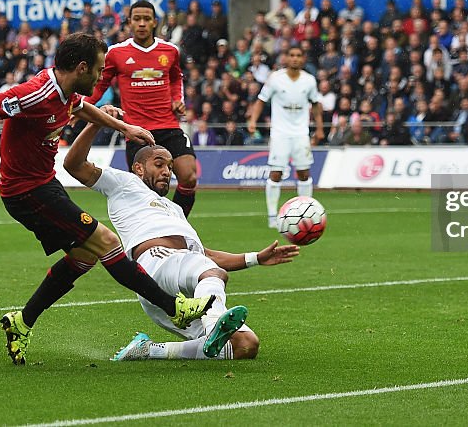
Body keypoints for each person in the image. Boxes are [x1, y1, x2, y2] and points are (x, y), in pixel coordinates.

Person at [0, 32, 215, 365]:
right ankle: (176, 308)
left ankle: (21, 322)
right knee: (107, 241)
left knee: (84, 256)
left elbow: (82, 108)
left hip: (44, 184)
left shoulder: (66, 92)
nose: (100, 77)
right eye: (97, 70)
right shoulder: (34, 93)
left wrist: (123, 128)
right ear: (81, 68)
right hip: (25, 191)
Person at [64, 124, 299, 360]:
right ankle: (214, 321)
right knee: (212, 273)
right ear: (138, 168)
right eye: (159, 164)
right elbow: (73, 165)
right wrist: (96, 123)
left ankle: (151, 351)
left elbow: (205, 255)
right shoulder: (125, 183)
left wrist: (256, 258)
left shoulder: (174, 209)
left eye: (169, 166)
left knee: (245, 345)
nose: (167, 171)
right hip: (153, 262)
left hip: (168, 284)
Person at [89, 0, 200, 216]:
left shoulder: (170, 50)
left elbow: (176, 77)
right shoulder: (116, 53)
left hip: (169, 125)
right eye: (137, 19)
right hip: (137, 132)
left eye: (146, 19)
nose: (141, 23)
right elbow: (100, 84)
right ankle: (150, 231)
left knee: (189, 177)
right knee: (146, 190)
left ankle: (178, 223)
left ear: (154, 22)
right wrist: (81, 107)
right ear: (129, 22)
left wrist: (177, 99)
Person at [246, 46, 324, 228]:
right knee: (276, 173)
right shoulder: (275, 79)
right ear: (286, 58)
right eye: (292, 55)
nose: (295, 58)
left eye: (298, 55)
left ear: (303, 59)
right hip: (280, 132)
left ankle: (307, 213)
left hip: (301, 133)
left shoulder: (309, 81)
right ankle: (272, 216)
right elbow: (260, 100)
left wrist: (319, 128)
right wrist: (253, 120)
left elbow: (316, 105)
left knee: (304, 173)